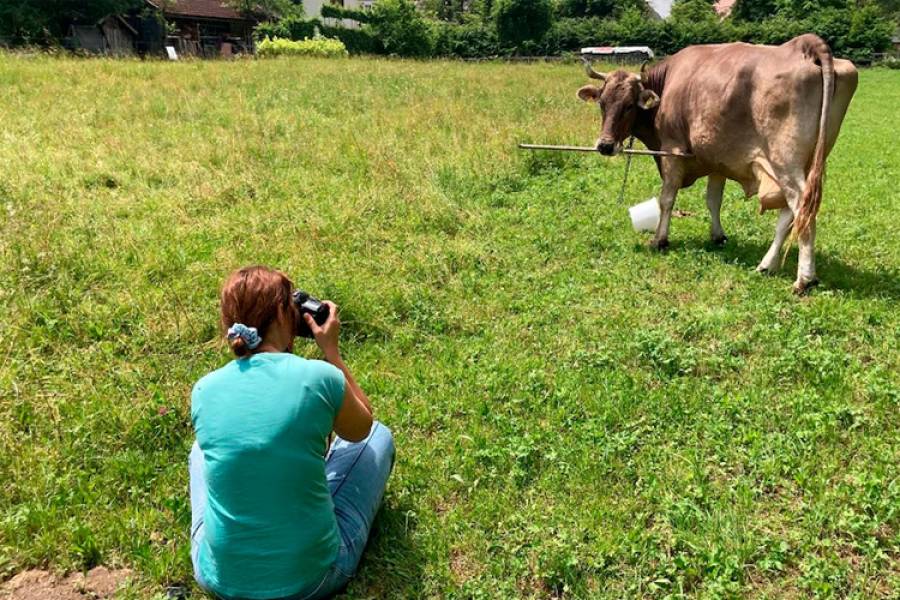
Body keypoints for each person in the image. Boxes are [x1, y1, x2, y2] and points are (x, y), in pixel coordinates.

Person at [189, 266, 394, 600]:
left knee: (201, 452)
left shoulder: (203, 390)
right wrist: (331, 351)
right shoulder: (319, 377)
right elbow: (361, 429)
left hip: (219, 579)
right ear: (286, 314)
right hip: (311, 579)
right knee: (378, 437)